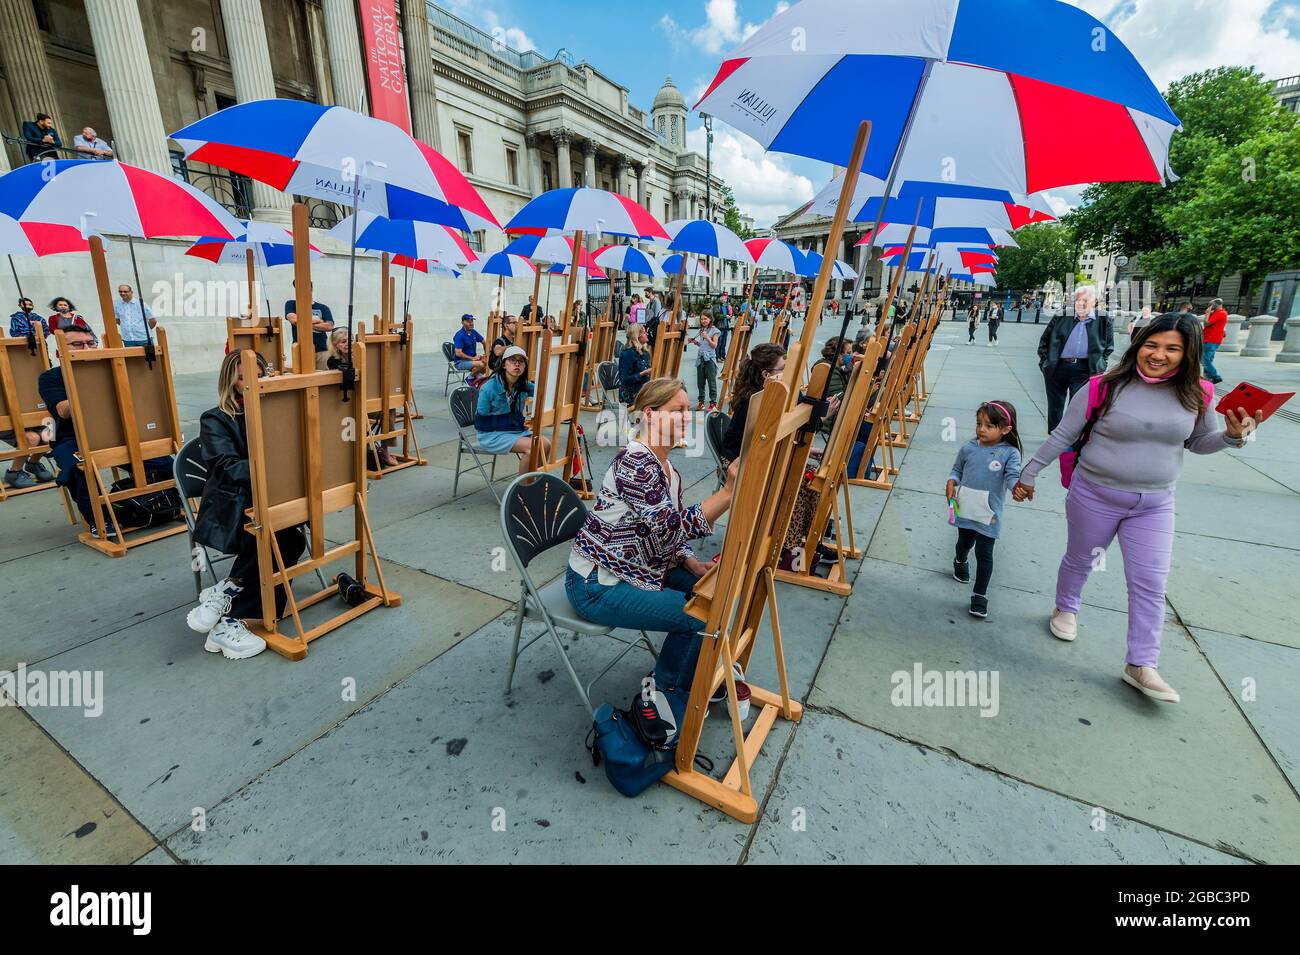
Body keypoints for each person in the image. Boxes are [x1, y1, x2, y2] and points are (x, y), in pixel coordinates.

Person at [1012, 313, 1261, 704]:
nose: (1159, 355)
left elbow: (1199, 442)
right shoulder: (1103, 386)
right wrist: (1028, 474)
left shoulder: (1199, 392)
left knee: (1150, 581)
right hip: (1094, 494)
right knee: (1081, 559)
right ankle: (1066, 608)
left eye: (1172, 349)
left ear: (1187, 354)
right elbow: (1065, 432)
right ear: (1138, 345)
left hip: (1155, 504)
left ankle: (1141, 663)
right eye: (1152, 345)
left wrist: (1231, 438)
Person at [566, 376, 738, 695]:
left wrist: (687, 561)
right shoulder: (635, 463)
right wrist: (727, 493)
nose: (687, 416)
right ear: (649, 415)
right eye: (677, 410)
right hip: (596, 584)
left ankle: (687, 672)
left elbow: (667, 530)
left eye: (688, 409)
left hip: (639, 566)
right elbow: (667, 527)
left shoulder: (666, 469)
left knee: (717, 597)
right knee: (698, 617)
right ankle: (664, 700)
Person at [187, 350, 305, 660]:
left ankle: (227, 592)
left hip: (270, 501)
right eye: (243, 377)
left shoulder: (277, 411)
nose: (252, 382)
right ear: (231, 380)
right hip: (231, 509)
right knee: (284, 537)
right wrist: (278, 464)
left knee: (287, 535)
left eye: (259, 374)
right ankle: (232, 615)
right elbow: (227, 467)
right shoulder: (216, 418)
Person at [945, 401, 1023, 618]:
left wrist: (1017, 488)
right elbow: (957, 469)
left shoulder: (1010, 453)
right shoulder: (968, 447)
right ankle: (960, 560)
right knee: (964, 543)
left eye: (989, 426)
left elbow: (1012, 477)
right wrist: (951, 482)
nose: (981, 429)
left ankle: (980, 595)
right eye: (979, 423)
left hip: (989, 515)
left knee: (984, 554)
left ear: (1006, 429)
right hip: (964, 508)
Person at [1037, 285, 1114, 432]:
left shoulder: (1104, 319)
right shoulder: (1062, 316)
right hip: (1057, 367)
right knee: (1055, 405)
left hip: (1084, 369)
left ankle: (1070, 435)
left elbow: (1108, 347)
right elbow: (1044, 341)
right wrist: (1045, 363)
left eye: (1085, 299)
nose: (1081, 303)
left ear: (1095, 301)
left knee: (1077, 405)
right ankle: (1054, 434)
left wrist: (1100, 365)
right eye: (1078, 299)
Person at [474, 345, 548, 474]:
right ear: (504, 364)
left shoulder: (523, 385)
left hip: (513, 431)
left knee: (545, 444)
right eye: (512, 360)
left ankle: (535, 481)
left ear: (524, 366)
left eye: (521, 361)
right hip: (491, 435)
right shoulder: (489, 388)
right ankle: (523, 489)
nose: (517, 364)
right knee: (532, 448)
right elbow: (481, 422)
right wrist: (512, 422)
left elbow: (544, 391)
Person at [721, 343, 785, 464]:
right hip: (738, 462)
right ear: (766, 375)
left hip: (752, 455)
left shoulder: (761, 393)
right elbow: (766, 436)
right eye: (782, 369)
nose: (786, 372)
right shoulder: (753, 400)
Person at [284, 286, 334, 370]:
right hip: (300, 351)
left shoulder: (323, 307)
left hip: (322, 351)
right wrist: (318, 320)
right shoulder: (291, 304)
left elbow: (329, 326)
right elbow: (294, 320)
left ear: (311, 288)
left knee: (323, 377)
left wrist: (302, 322)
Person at [688, 311, 720, 411]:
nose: (703, 321)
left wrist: (707, 338)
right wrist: (694, 342)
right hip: (700, 359)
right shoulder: (702, 330)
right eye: (702, 319)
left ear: (710, 319)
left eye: (705, 319)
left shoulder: (715, 331)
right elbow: (702, 344)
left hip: (710, 359)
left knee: (711, 382)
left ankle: (713, 403)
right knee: (700, 382)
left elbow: (714, 345)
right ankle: (701, 402)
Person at [618, 325, 652, 406]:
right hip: (630, 394)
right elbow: (624, 380)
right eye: (644, 332)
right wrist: (642, 373)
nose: (647, 334)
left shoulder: (645, 353)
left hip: (643, 390)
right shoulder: (627, 354)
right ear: (637, 336)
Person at [1202, 298, 1227, 385]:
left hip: (1210, 339)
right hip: (1214, 339)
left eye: (1211, 305)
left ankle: (1216, 376)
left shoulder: (1220, 313)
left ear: (1216, 305)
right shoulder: (1221, 313)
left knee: (1204, 359)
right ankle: (1208, 377)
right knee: (1209, 359)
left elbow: (1206, 323)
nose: (1209, 307)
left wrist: (1207, 313)